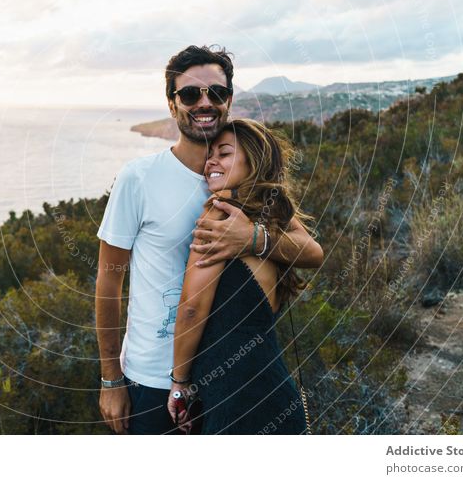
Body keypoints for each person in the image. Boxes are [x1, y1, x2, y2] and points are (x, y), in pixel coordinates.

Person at [95, 45, 324, 435]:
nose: (204, 102)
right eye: (189, 94)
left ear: (229, 100)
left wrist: (252, 237)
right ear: (172, 105)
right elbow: (108, 282)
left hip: (224, 381)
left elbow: (311, 251)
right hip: (153, 381)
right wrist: (111, 380)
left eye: (215, 93)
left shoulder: (246, 183)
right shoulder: (139, 177)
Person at [167, 118, 314, 434]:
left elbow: (192, 308)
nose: (211, 162)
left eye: (225, 153)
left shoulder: (219, 214)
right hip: (273, 390)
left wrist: (179, 382)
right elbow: (313, 251)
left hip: (236, 399)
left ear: (254, 161)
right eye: (211, 155)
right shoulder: (273, 215)